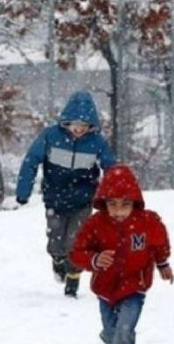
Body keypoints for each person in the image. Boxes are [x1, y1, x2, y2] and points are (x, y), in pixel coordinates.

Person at [69, 164, 174, 344]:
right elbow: (77, 253)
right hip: (105, 290)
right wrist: (94, 260)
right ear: (103, 203)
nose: (118, 211)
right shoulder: (96, 224)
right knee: (111, 334)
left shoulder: (148, 222)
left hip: (134, 287)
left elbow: (159, 243)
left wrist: (163, 264)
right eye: (112, 204)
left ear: (135, 203)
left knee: (123, 332)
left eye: (125, 205)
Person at [15, 91, 116, 298]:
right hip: (55, 197)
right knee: (56, 240)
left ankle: (73, 279)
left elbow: (112, 168)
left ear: (92, 126)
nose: (79, 130)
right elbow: (31, 161)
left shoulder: (96, 142)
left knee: (76, 241)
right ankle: (58, 260)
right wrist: (23, 191)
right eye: (75, 125)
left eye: (85, 126)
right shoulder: (51, 136)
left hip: (83, 200)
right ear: (66, 122)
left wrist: (115, 194)